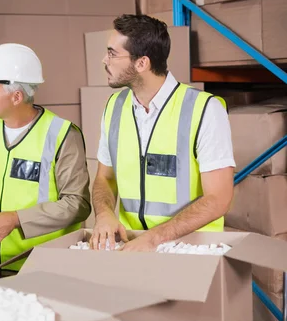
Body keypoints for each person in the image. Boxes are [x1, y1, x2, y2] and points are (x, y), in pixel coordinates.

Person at [89, 14, 235, 252]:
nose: (104, 59)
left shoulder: (205, 109)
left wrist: (155, 238)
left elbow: (218, 198)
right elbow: (105, 178)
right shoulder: (114, 107)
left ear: (142, 63)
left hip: (191, 250)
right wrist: (104, 215)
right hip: (133, 246)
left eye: (112, 53)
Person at [0, 43, 92, 273]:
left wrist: (16, 219)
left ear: (16, 96)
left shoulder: (61, 135)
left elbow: (77, 203)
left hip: (44, 268)